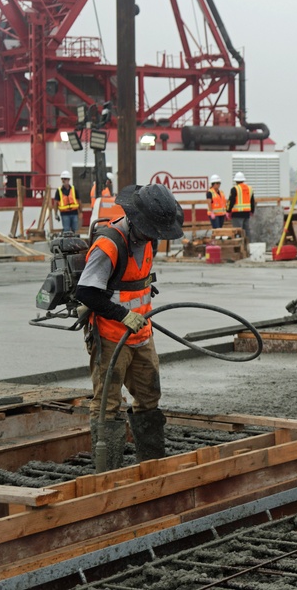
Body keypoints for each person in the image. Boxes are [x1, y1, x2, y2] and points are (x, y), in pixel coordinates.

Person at [74, 184, 184, 470]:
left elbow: (135, 284)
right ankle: (107, 472)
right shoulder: (108, 245)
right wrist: (122, 315)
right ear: (137, 220)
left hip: (142, 334)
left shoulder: (149, 239)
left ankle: (152, 467)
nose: (156, 236)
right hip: (111, 337)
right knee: (108, 405)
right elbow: (86, 292)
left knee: (150, 397)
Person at [227, 171, 255, 239]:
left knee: (237, 231)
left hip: (237, 214)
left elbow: (231, 201)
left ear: (236, 181)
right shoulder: (249, 188)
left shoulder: (235, 189)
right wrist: (252, 211)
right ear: (243, 180)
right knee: (246, 230)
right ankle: (248, 246)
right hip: (246, 213)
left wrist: (228, 210)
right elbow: (252, 201)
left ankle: (239, 247)